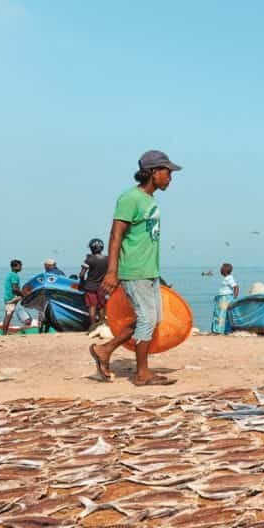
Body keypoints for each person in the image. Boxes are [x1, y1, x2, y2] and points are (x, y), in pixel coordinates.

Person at [89, 150, 181, 386]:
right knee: (146, 319)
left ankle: (105, 349)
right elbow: (116, 234)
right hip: (134, 269)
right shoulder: (130, 198)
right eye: (166, 172)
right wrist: (112, 271)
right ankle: (142, 373)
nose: (170, 177)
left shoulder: (150, 200)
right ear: (153, 172)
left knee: (151, 318)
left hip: (150, 270)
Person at [79, 238, 109, 329]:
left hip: (90, 286)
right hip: (102, 287)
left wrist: (81, 282)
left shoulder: (89, 260)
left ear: (91, 248)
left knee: (92, 306)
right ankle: (102, 324)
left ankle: (92, 326)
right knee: (101, 306)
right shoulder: (108, 259)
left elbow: (81, 274)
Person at [211, 262, 239, 334]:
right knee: (219, 313)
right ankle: (219, 330)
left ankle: (221, 330)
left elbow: (236, 287)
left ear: (225, 270)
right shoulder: (226, 278)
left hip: (226, 298)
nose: (220, 270)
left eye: (221, 269)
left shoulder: (229, 278)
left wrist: (234, 298)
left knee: (222, 314)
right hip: (223, 298)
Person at [1, 259, 24, 335]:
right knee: (8, 316)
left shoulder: (10, 274)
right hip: (11, 298)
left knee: (8, 315)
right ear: (14, 267)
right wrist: (22, 294)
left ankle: (4, 332)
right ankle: (4, 334)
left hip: (9, 297)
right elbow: (15, 289)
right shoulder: (14, 275)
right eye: (19, 266)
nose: (21, 268)